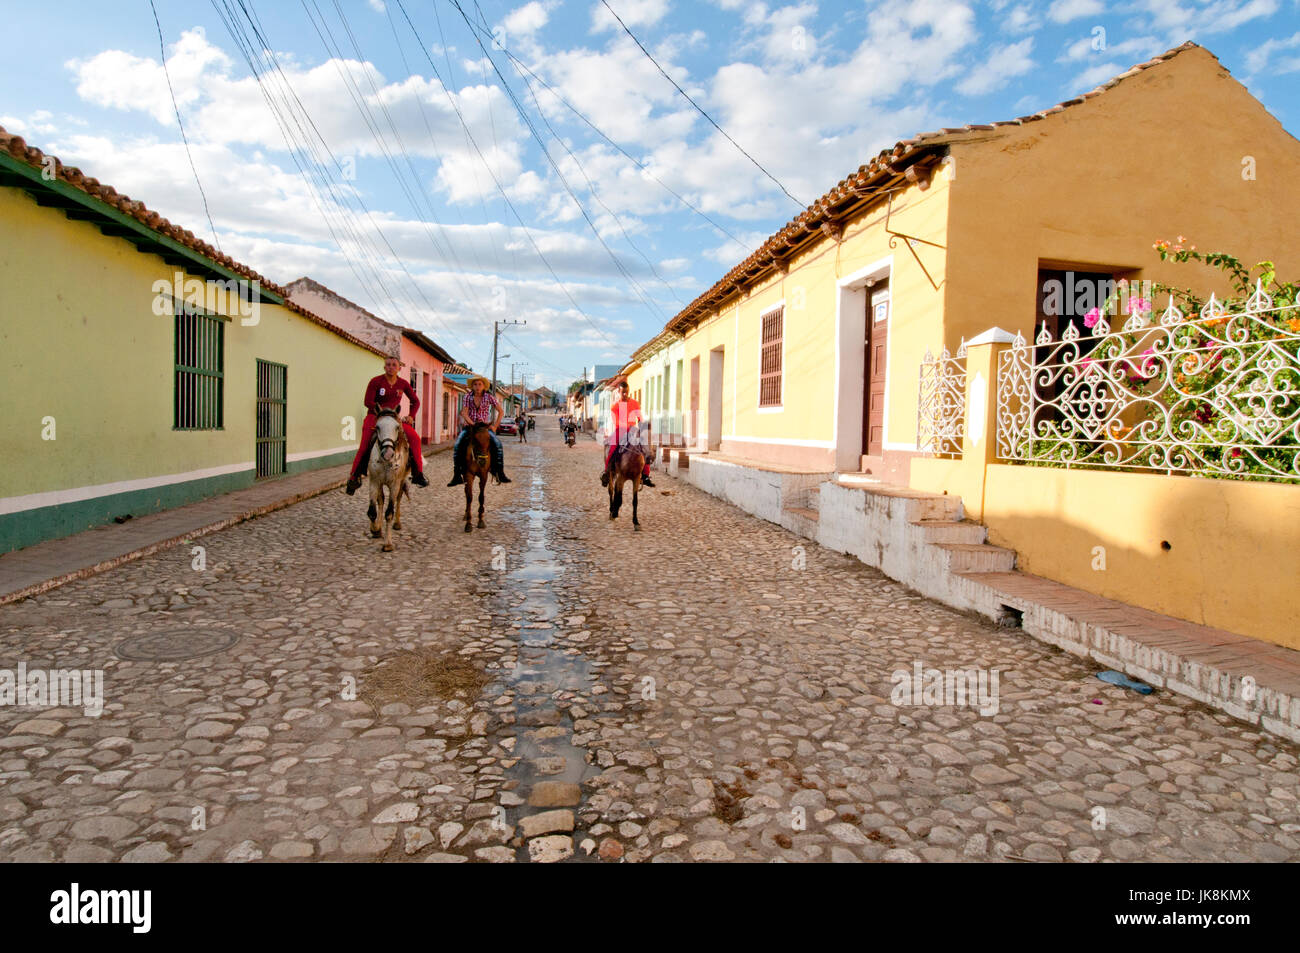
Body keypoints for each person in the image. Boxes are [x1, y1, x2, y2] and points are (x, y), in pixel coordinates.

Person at [346, 356, 427, 495]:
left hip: (394, 420)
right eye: (388, 365)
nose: (391, 367)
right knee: (365, 445)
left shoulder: (403, 384)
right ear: (384, 367)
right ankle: (354, 477)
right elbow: (367, 402)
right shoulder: (376, 381)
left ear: (399, 368)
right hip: (375, 417)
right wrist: (382, 410)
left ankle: (418, 473)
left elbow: (416, 401)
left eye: (394, 365)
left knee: (415, 439)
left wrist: (411, 416)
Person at [448, 375, 511, 485]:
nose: (477, 387)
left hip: (484, 428)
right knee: (458, 445)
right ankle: (457, 474)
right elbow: (464, 413)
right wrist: (472, 424)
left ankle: (499, 473)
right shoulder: (467, 397)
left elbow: (501, 411)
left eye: (480, 384)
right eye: (475, 384)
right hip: (470, 426)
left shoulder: (489, 397)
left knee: (497, 444)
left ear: (484, 386)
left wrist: (495, 426)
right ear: (472, 386)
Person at [600, 380, 654, 488]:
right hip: (620, 430)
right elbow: (616, 421)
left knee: (644, 446)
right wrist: (626, 426)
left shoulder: (634, 403)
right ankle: (607, 471)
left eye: (626, 392)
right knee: (613, 447)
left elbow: (639, 417)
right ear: (618, 392)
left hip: (633, 429)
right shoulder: (615, 406)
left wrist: (643, 426)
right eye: (622, 392)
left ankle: (645, 475)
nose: (625, 394)